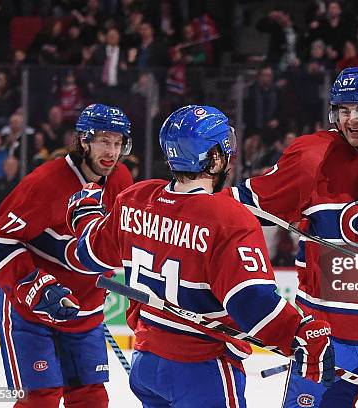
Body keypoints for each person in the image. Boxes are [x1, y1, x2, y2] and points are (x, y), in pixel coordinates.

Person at [65, 105, 335, 407]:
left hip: (147, 366)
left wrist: (85, 215)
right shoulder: (229, 218)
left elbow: (88, 254)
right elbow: (251, 304)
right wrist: (300, 332)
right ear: (215, 158)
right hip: (202, 371)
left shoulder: (136, 199)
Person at [229, 66, 358, 407]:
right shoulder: (312, 156)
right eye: (344, 111)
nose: (353, 121)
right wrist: (184, 206)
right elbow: (242, 207)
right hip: (327, 336)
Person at [0, 104, 134, 407]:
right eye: (105, 140)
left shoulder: (120, 181)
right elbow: (0, 244)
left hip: (85, 309)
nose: (112, 151)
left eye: (118, 143)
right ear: (84, 140)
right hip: (29, 306)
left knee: (90, 398)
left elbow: (120, 240)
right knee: (41, 399)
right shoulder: (44, 184)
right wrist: (38, 287)